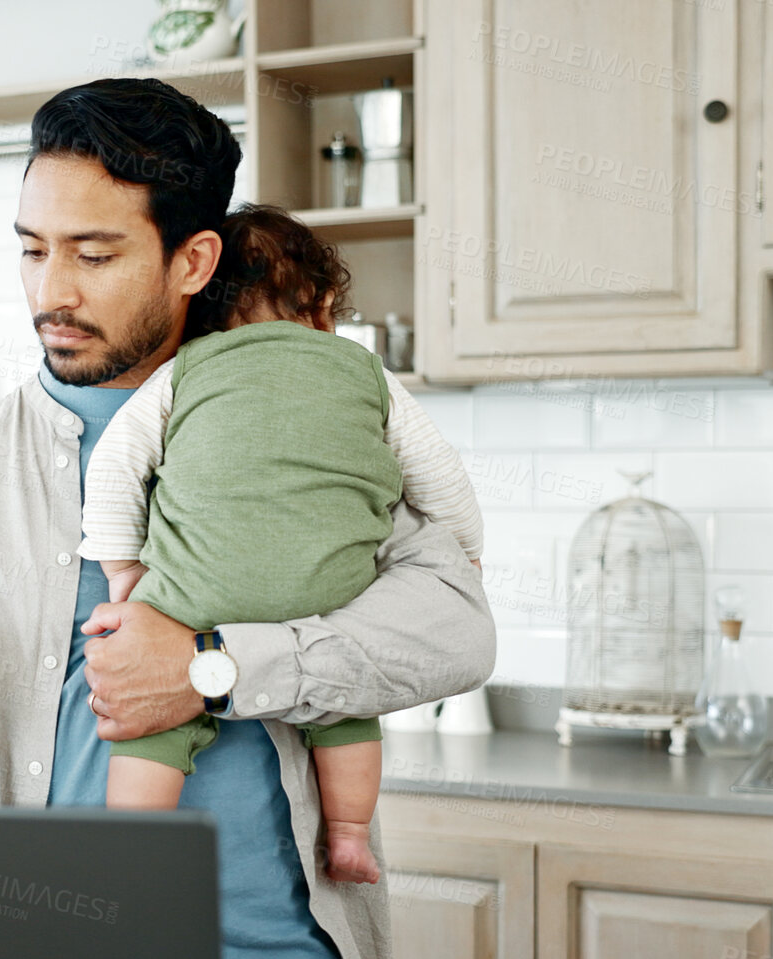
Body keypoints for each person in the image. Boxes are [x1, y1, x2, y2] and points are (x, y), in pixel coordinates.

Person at [0, 78, 496, 959]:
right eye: (32, 251)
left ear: (193, 258)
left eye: (95, 253)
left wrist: (213, 672)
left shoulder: (311, 428)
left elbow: (456, 632)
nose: (53, 291)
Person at [78, 203, 483, 888]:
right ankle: (350, 834)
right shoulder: (362, 369)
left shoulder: (187, 369)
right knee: (344, 703)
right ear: (323, 301)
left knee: (150, 725)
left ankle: (135, 849)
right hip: (332, 590)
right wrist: (467, 550)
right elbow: (438, 472)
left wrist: (123, 567)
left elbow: (117, 464)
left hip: (193, 593)